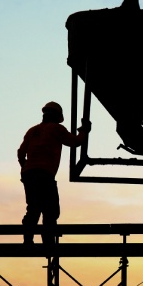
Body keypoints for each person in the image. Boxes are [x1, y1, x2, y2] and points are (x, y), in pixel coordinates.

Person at [17, 101, 89, 244]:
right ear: (57, 116)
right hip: (44, 173)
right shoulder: (56, 129)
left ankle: (27, 240)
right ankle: (48, 243)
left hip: (29, 174)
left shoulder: (32, 131)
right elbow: (75, 142)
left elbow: (20, 153)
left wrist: (26, 167)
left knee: (33, 207)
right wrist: (84, 130)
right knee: (50, 209)